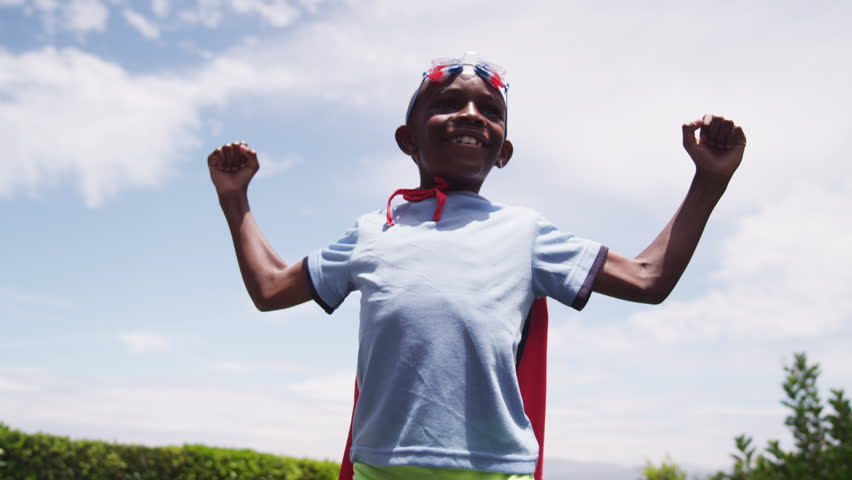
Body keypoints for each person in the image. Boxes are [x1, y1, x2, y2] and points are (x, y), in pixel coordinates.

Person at [207, 53, 747, 480]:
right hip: (381, 467)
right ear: (408, 139)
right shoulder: (374, 231)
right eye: (450, 103)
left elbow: (648, 278)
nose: (471, 115)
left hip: (493, 472)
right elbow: (272, 288)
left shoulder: (526, 232)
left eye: (490, 111)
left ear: (502, 151)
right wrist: (236, 200)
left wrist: (709, 181)